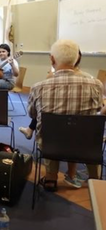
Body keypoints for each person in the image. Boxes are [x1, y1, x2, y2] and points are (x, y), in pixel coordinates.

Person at [28, 39, 103, 191]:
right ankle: (95, 179)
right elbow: (98, 110)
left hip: (52, 145)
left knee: (49, 132)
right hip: (85, 144)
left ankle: (50, 178)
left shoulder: (38, 87)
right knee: (90, 134)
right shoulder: (96, 85)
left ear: (52, 59)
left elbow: (32, 114)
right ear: (77, 59)